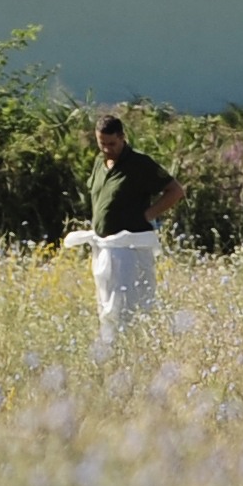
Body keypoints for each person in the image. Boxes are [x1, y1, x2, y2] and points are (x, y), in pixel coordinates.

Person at [64, 114, 185, 337]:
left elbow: (175, 191)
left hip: (129, 247)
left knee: (129, 304)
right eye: (102, 144)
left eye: (112, 144)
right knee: (106, 306)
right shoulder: (100, 163)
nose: (108, 149)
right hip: (104, 246)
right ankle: (110, 348)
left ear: (122, 138)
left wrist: (148, 215)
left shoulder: (140, 164)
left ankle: (132, 347)